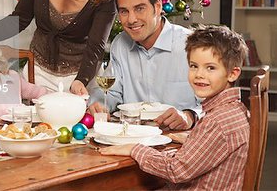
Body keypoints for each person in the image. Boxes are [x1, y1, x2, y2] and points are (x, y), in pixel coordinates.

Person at [100, 25, 250, 190]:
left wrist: (135, 149)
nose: (199, 74)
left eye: (210, 68)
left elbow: (177, 170)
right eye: (194, 66)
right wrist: (193, 141)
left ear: (232, 73)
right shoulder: (234, 110)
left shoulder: (217, 122)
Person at [83, 0, 200, 130]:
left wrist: (190, 116)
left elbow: (216, 103)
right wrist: (97, 103)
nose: (131, 19)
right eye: (124, 11)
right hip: (132, 136)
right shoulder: (120, 44)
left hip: (180, 140)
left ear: (158, 7)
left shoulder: (191, 45)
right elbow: (110, 92)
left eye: (140, 9)